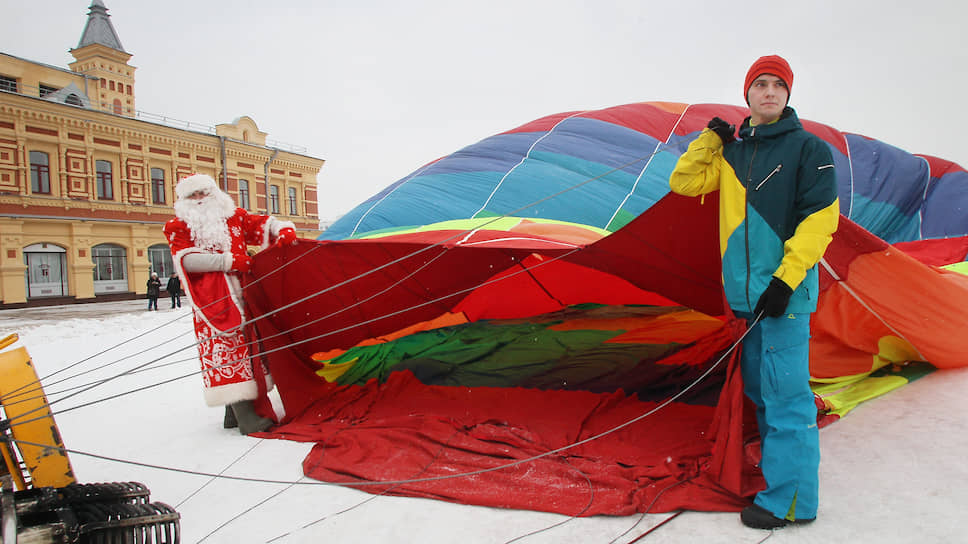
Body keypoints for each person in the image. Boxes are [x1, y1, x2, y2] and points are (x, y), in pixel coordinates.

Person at [668, 55, 839, 529]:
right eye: (760, 85)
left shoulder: (810, 149)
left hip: (784, 295)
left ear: (788, 95)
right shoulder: (733, 154)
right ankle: (779, 476)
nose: (768, 92)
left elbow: (820, 221)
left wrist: (786, 279)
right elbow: (683, 182)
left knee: (787, 397)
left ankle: (791, 501)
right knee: (764, 394)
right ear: (747, 95)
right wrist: (711, 140)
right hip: (747, 301)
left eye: (777, 85)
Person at [163, 173, 298, 435]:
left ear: (215, 193)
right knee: (228, 353)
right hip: (213, 300)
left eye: (204, 192)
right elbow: (186, 261)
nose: (200, 199)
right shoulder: (177, 226)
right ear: (184, 200)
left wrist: (281, 228)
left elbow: (261, 225)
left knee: (250, 351)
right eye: (194, 195)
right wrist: (227, 262)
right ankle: (247, 417)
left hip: (246, 294)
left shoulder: (233, 216)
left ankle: (232, 413)